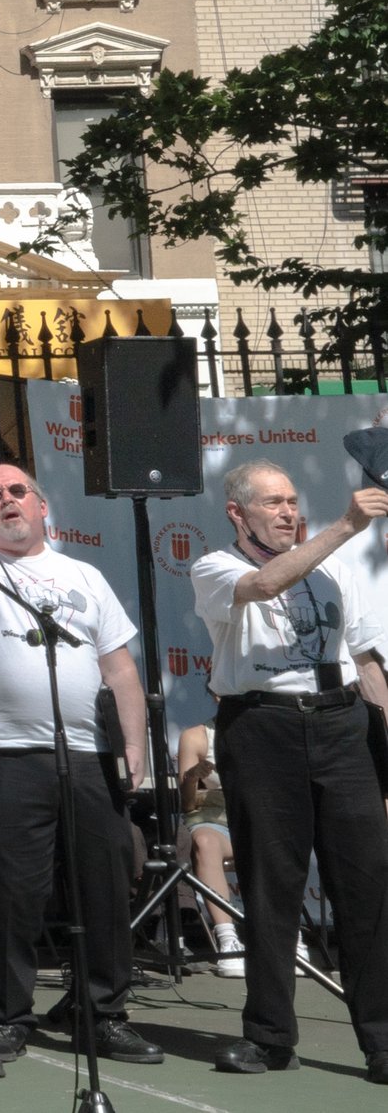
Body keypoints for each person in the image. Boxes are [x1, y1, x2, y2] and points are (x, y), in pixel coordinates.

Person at [0, 387, 160, 1065]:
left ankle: (100, 1012)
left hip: (88, 756)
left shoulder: (83, 575)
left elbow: (122, 671)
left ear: (43, 507)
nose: (6, 500)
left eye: (17, 491)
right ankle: (5, 1015)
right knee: (8, 894)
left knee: (104, 890)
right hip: (6, 758)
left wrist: (132, 747)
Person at [189, 460, 388, 1078]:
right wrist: (347, 525)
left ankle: (382, 1040)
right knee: (270, 883)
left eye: (293, 501)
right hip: (263, 727)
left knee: (367, 883)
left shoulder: (336, 566)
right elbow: (265, 586)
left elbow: (364, 656)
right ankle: (270, 1035)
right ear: (237, 513)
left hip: (341, 720)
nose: (287, 512)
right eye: (272, 502)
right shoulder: (215, 566)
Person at [175, 726, 245, 976]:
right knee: (204, 842)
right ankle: (228, 940)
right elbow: (187, 805)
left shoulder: (267, 727)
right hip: (212, 821)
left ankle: (290, 937)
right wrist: (193, 777)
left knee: (277, 839)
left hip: (255, 819)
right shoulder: (197, 736)